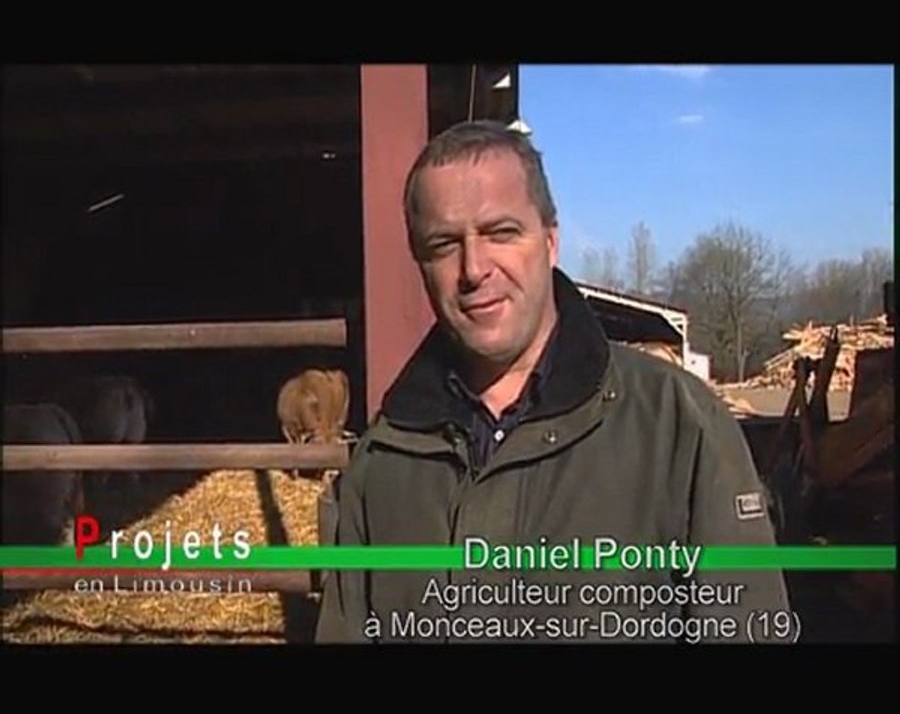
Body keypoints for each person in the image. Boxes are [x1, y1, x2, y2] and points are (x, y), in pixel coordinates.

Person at [315, 120, 791, 644]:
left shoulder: (674, 425)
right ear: (421, 264)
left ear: (550, 241)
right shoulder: (383, 464)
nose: (474, 268)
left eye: (501, 232)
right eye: (445, 244)